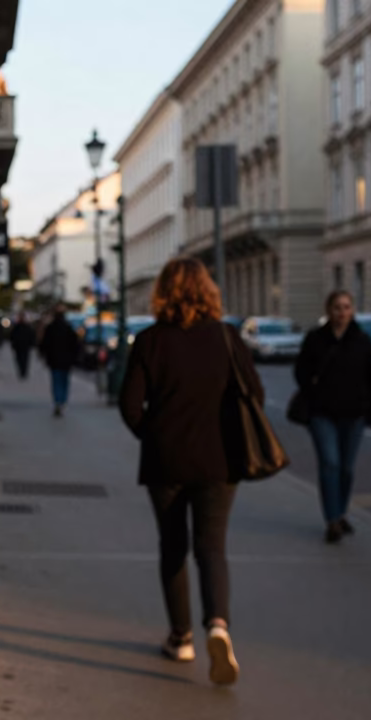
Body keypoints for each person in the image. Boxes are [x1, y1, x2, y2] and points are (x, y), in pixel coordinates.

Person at [118, 258, 260, 686]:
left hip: (166, 461)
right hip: (220, 461)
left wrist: (153, 433)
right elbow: (253, 393)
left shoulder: (149, 341)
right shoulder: (227, 337)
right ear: (208, 290)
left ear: (162, 292)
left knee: (173, 546)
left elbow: (128, 406)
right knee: (212, 546)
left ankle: (180, 638)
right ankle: (218, 624)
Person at [294, 290, 371, 544]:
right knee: (330, 463)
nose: (342, 312)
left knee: (346, 468)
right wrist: (312, 391)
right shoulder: (315, 339)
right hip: (321, 413)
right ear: (328, 310)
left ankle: (341, 511)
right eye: (337, 307)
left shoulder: (362, 340)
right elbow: (300, 371)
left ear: (352, 310)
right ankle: (332, 520)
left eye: (346, 307)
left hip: (353, 414)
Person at [38, 305, 80, 417]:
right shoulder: (68, 328)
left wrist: (43, 356)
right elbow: (75, 345)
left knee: (56, 381)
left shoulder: (50, 328)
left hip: (54, 360)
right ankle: (62, 401)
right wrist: (74, 358)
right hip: (66, 361)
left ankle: (58, 401)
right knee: (64, 381)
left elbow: (44, 344)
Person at [8, 312, 35, 380]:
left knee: (24, 359)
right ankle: (21, 371)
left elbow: (31, 336)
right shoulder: (17, 327)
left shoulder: (27, 327)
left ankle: (23, 372)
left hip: (25, 346)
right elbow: (12, 336)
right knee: (19, 359)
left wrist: (31, 344)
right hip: (18, 346)